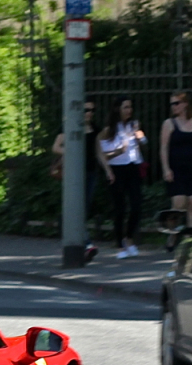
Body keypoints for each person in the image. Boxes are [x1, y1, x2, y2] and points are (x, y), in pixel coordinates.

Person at [52, 99, 101, 262]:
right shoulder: (70, 127)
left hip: (91, 172)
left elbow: (99, 151)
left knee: (84, 209)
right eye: (86, 110)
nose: (89, 113)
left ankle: (81, 242)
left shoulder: (95, 129)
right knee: (77, 209)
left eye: (92, 110)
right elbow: (56, 147)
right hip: (74, 175)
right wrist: (72, 149)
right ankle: (86, 244)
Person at [99, 96, 146, 259]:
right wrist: (119, 151)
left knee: (136, 205)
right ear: (118, 109)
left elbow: (144, 141)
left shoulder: (133, 125)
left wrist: (139, 135)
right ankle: (120, 245)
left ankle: (129, 238)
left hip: (133, 166)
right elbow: (105, 154)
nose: (129, 110)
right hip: (118, 169)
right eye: (126, 107)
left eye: (130, 107)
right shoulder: (109, 130)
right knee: (120, 209)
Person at [160, 93, 192, 248]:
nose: (174, 106)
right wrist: (166, 168)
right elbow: (163, 148)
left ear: (185, 104)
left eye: (176, 103)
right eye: (172, 104)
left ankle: (190, 238)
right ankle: (172, 234)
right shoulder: (169, 123)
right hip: (176, 169)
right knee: (178, 204)